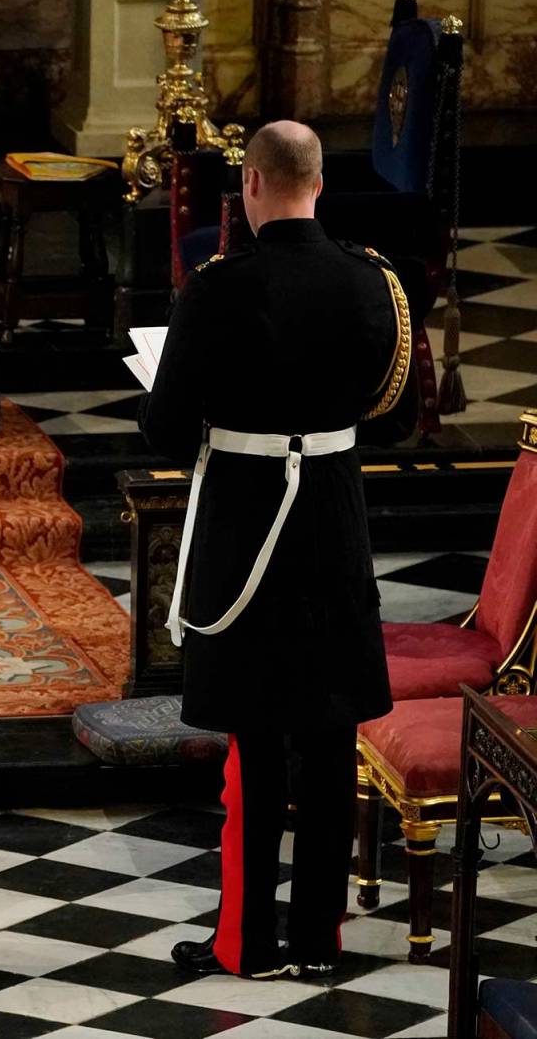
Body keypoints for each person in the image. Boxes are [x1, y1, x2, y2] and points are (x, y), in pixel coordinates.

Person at [141, 121, 414, 980]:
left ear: (252, 185)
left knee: (255, 744)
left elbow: (167, 429)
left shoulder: (219, 288)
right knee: (330, 739)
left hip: (246, 526)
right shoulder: (376, 283)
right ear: (319, 183)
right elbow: (397, 417)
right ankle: (321, 945)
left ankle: (248, 944)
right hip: (333, 525)